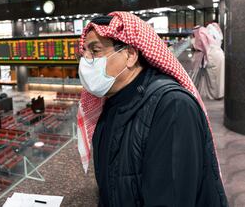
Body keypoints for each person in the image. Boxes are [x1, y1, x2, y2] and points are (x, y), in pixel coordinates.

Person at [76, 12, 228, 207]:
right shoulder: (114, 100)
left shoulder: (172, 107)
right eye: (84, 53)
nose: (85, 60)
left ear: (130, 55)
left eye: (95, 51)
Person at [192, 25, 224, 99]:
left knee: (213, 77)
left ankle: (214, 95)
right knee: (219, 77)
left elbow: (205, 48)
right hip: (219, 55)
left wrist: (206, 60)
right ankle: (219, 94)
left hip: (212, 56)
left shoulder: (200, 33)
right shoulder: (208, 34)